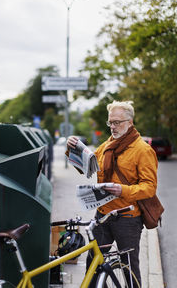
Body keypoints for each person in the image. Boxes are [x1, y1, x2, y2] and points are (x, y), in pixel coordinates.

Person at [67, 100, 158, 287]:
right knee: (93, 266)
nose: (113, 127)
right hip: (103, 215)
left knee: (129, 269)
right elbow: (88, 167)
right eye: (111, 122)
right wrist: (73, 149)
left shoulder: (143, 150)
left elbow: (149, 187)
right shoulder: (107, 145)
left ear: (130, 122)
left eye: (117, 122)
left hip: (128, 218)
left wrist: (123, 189)